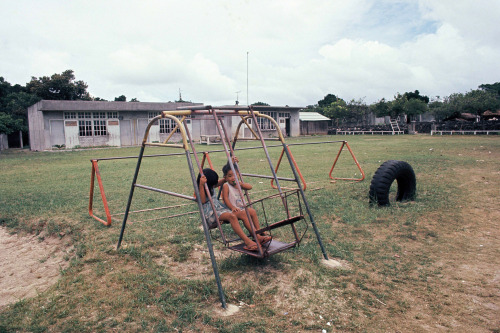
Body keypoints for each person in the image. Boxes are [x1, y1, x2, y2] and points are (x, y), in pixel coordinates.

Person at [196, 168, 260, 251]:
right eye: (212, 184)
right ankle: (247, 241)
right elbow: (203, 201)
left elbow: (224, 180)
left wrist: (231, 166)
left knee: (243, 213)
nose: (214, 186)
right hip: (212, 213)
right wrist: (201, 185)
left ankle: (257, 236)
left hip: (220, 209)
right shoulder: (200, 189)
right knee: (232, 216)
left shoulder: (210, 185)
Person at [221, 162, 272, 245]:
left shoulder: (239, 184)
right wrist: (232, 207)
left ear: (238, 175)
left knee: (252, 211)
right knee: (245, 215)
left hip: (241, 208)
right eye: (230, 176)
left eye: (235, 175)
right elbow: (225, 199)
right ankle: (256, 236)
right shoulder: (226, 186)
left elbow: (250, 187)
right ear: (225, 178)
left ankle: (259, 231)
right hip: (232, 210)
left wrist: (242, 184)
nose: (233, 178)